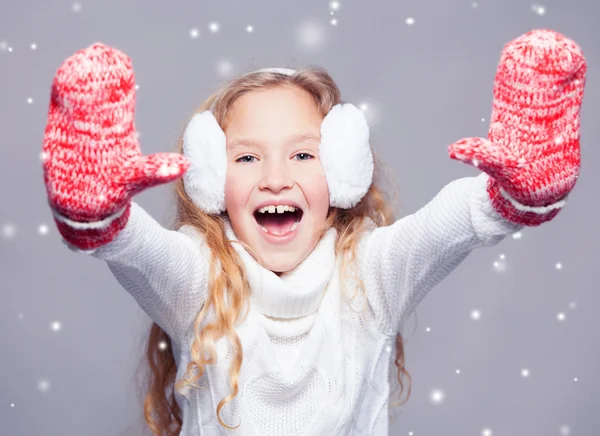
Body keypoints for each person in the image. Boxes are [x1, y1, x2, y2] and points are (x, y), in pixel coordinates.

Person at [41, 28, 586, 436]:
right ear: (211, 183)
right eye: (248, 157)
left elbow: (446, 227)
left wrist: (513, 196)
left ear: (343, 174)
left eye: (303, 154)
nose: (277, 179)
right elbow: (139, 248)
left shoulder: (371, 276)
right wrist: (97, 212)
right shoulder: (199, 283)